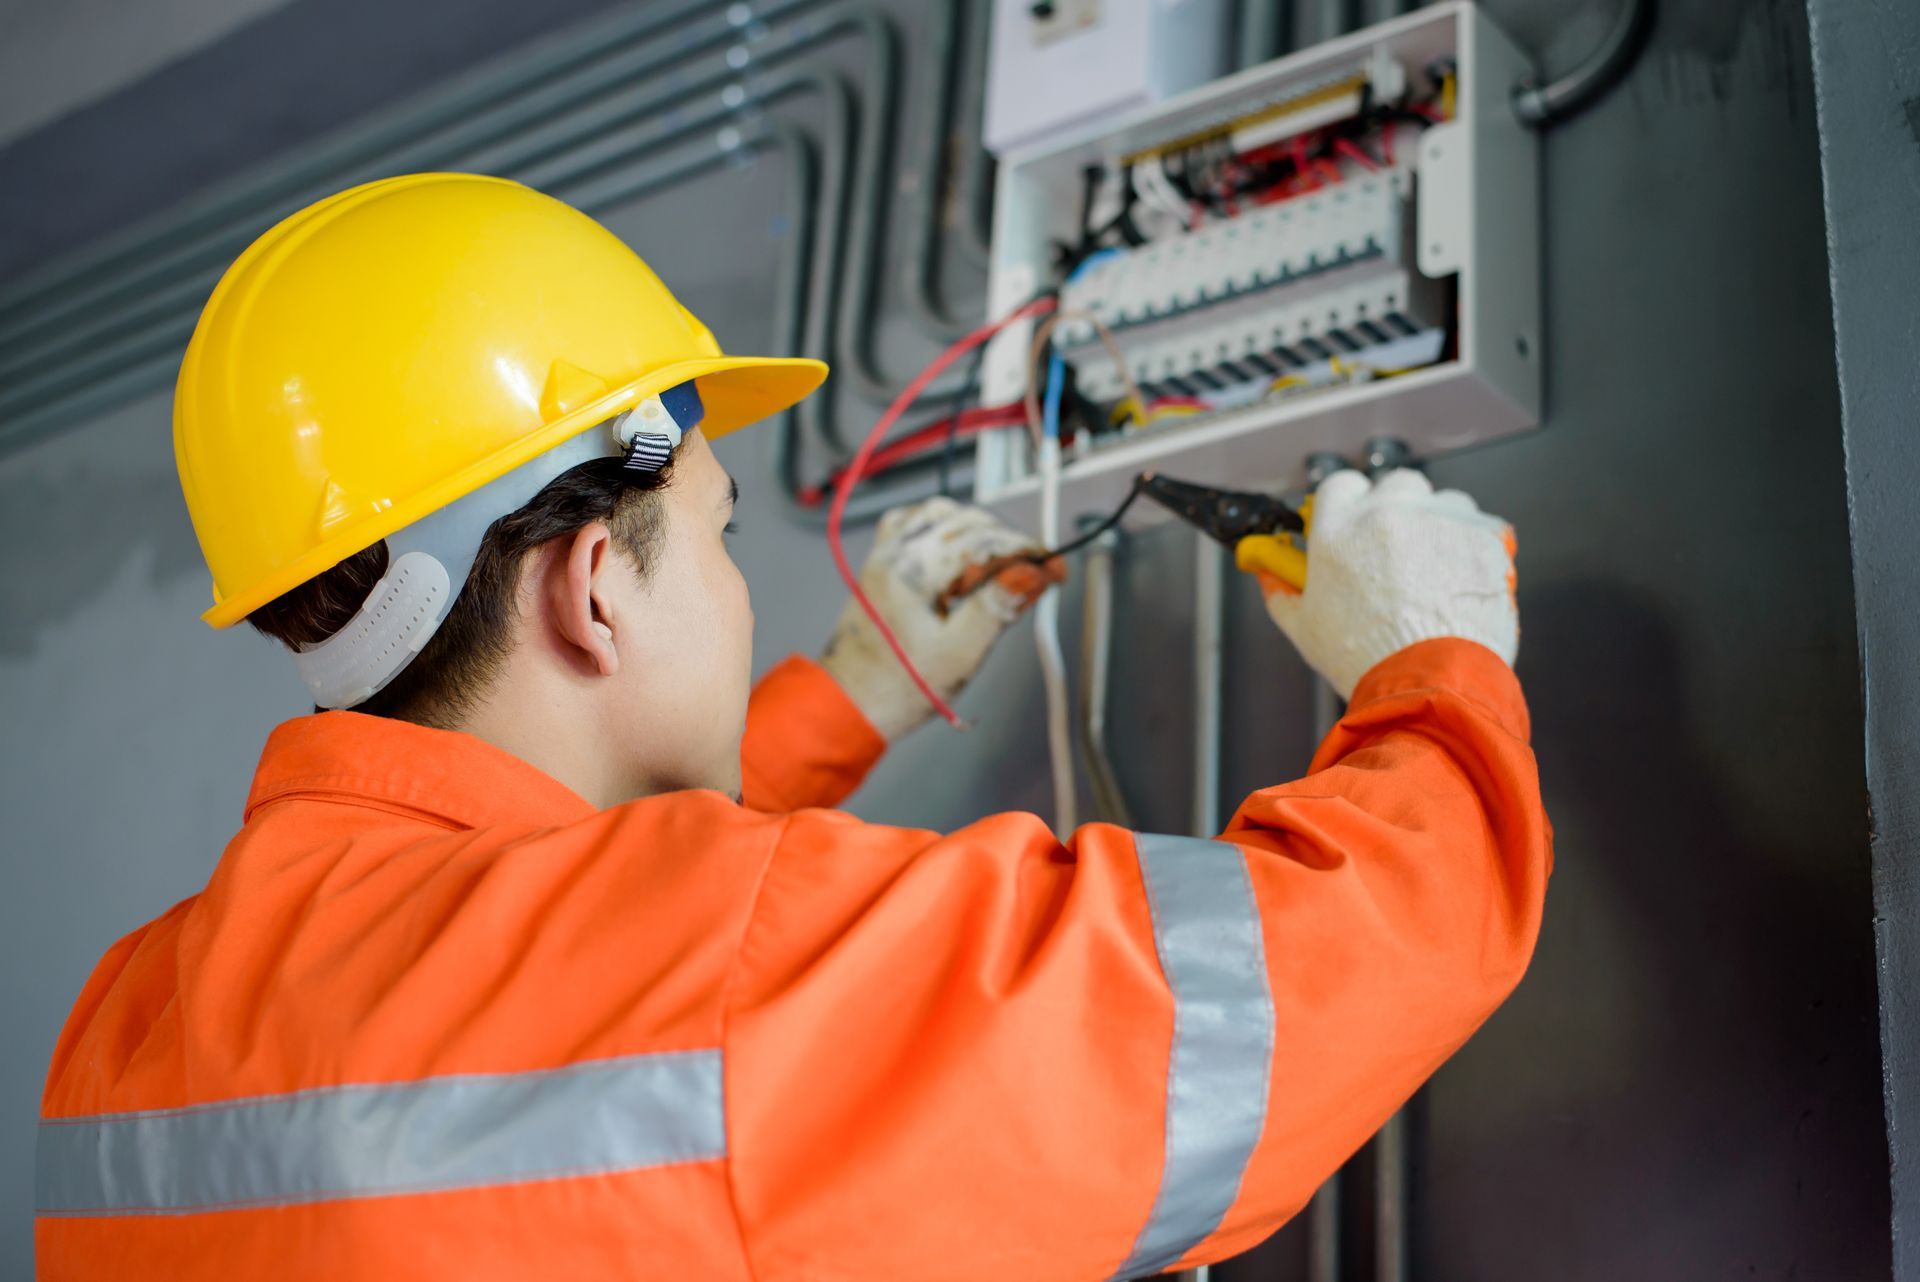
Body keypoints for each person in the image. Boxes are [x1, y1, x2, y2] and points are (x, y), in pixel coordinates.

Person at [35, 174, 1549, 1281]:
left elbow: (529, 942)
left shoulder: (121, 1033)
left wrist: (855, 691)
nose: (739, 588)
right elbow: (1274, 1002)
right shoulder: (706, 969)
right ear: (592, 590)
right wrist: (1433, 659)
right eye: (719, 531)